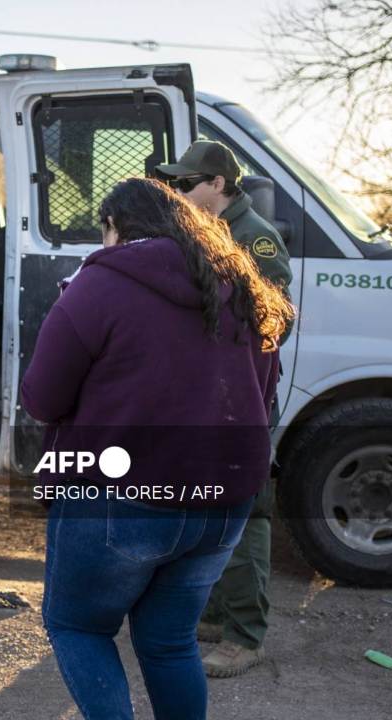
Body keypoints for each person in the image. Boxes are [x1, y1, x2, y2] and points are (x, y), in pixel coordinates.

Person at [21, 178, 292, 720]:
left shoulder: (100, 283)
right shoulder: (240, 285)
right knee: (169, 641)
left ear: (116, 227)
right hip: (223, 502)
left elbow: (42, 398)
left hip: (123, 497)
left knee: (77, 625)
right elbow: (263, 396)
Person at [156, 140, 292, 677]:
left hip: (240, 398)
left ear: (218, 183)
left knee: (245, 515)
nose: (180, 193)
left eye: (187, 184)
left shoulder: (253, 237)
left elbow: (271, 318)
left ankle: (245, 635)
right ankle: (214, 614)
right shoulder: (206, 231)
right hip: (211, 394)